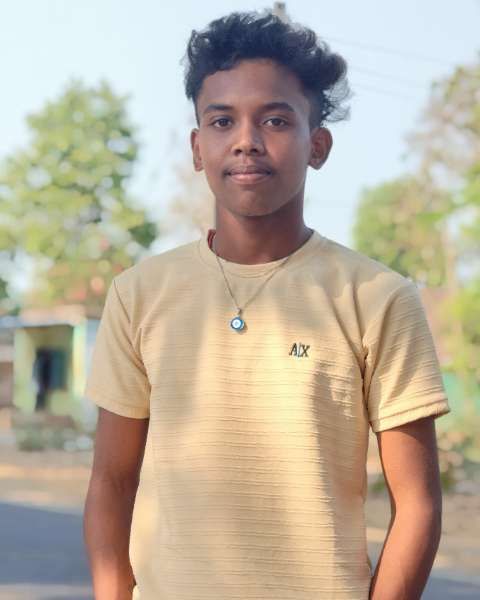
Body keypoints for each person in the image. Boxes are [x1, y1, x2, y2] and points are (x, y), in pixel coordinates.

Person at [83, 10, 451, 600]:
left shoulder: (377, 298)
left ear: (318, 145)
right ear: (198, 147)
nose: (246, 140)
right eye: (222, 120)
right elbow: (111, 481)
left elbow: (418, 504)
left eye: (276, 120)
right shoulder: (139, 294)